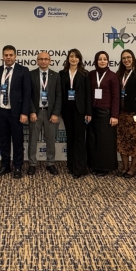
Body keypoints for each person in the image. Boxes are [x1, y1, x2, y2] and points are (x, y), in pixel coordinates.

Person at [0, 45, 31, 179]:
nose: (8, 57)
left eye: (11, 55)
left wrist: (24, 112)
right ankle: (5, 166)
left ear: (15, 56)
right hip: (1, 112)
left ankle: (18, 166)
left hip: (17, 113)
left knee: (18, 141)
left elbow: (27, 93)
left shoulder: (23, 70)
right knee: (4, 141)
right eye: (6, 55)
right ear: (2, 56)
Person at [27, 51, 62, 176]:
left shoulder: (56, 76)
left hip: (50, 113)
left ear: (50, 61)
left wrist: (55, 113)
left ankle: (50, 163)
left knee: (51, 140)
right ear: (37, 61)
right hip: (36, 113)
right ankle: (32, 164)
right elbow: (28, 95)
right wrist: (31, 111)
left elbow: (59, 96)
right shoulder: (31, 74)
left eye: (46, 59)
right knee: (33, 140)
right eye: (41, 59)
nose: (43, 61)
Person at [59, 49, 92, 178]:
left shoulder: (85, 74)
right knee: (70, 138)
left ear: (79, 59)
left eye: (76, 57)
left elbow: (88, 94)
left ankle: (80, 169)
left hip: (80, 111)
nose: (73, 59)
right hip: (67, 110)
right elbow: (60, 93)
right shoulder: (62, 74)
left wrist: (88, 112)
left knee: (79, 139)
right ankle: (71, 166)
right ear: (68, 58)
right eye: (71, 56)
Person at [115, 49, 136, 178]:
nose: (126, 60)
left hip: (135, 114)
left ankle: (133, 168)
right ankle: (125, 167)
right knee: (122, 141)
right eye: (124, 58)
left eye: (128, 57)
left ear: (133, 58)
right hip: (121, 114)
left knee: (135, 142)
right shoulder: (119, 74)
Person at [87, 51, 120, 177]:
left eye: (104, 59)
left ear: (108, 61)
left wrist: (114, 115)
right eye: (100, 59)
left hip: (106, 112)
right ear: (96, 61)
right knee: (93, 139)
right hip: (92, 112)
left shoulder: (112, 76)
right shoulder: (91, 74)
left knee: (105, 141)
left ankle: (105, 167)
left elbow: (116, 97)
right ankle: (93, 164)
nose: (102, 61)